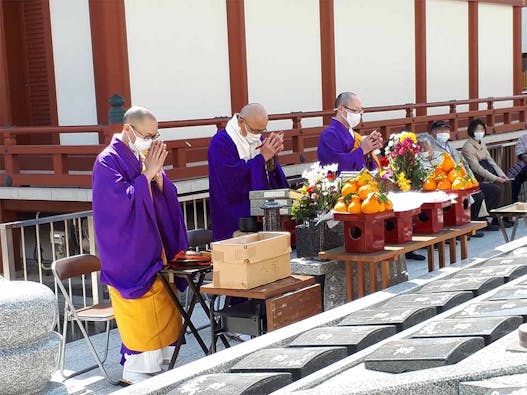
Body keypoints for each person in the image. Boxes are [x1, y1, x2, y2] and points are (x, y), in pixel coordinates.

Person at [92, 106, 188, 384]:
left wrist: (157, 177)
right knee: (143, 312)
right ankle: (136, 371)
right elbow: (118, 206)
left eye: (155, 135)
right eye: (147, 135)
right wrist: (147, 175)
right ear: (128, 130)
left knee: (165, 302)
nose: (151, 141)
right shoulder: (107, 161)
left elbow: (163, 193)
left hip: (155, 247)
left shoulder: (141, 155)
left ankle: (161, 363)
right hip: (129, 253)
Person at [208, 103, 289, 241]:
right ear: (241, 122)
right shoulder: (221, 142)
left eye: (262, 131)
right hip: (232, 214)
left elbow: (268, 174)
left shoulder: (259, 139)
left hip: (259, 213)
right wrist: (262, 157)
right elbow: (231, 179)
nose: (258, 135)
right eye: (255, 130)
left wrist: (271, 158)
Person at [428, 120, 503, 230]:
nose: (444, 132)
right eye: (441, 130)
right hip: (448, 182)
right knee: (478, 196)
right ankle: (471, 224)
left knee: (493, 190)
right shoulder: (432, 147)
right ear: (433, 132)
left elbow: (464, 165)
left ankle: (483, 219)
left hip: (463, 179)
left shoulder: (450, 146)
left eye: (446, 130)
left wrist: (471, 179)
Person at [318, 92, 383, 173]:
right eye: (355, 110)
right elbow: (336, 165)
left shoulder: (354, 135)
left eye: (360, 111)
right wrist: (362, 150)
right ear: (341, 109)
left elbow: (363, 159)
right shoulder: (329, 134)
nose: (358, 115)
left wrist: (370, 147)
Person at [461, 119, 513, 213]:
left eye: (482, 130)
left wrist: (501, 175)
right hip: (478, 176)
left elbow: (491, 161)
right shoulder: (467, 147)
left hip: (488, 171)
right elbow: (476, 167)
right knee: (498, 187)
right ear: (471, 131)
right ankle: (495, 216)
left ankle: (506, 215)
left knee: (507, 183)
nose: (480, 132)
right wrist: (495, 178)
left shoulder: (482, 143)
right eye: (477, 130)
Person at [507, 132, 527, 202]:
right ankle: (514, 200)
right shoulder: (524, 137)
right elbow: (519, 150)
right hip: (525, 163)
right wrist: (522, 156)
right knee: (516, 175)